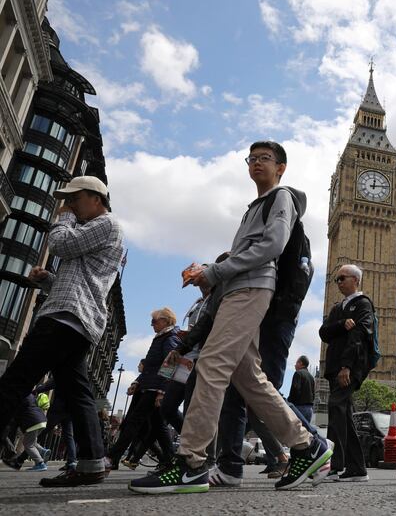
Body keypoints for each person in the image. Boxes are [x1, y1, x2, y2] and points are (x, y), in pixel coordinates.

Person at [129, 140, 331, 494]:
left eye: (264, 159)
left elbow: (272, 246)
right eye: (251, 159)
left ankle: (191, 462)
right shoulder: (253, 206)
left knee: (211, 366)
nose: (256, 163)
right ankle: (307, 444)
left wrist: (217, 271)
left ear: (281, 167)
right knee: (249, 378)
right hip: (240, 290)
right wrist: (213, 273)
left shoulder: (280, 198)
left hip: (252, 288)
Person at [0, 176, 124, 487]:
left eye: (75, 199)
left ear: (97, 199)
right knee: (76, 392)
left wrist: (64, 217)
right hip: (75, 317)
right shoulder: (93, 230)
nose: (69, 205)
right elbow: (78, 281)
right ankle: (91, 464)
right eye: (67, 201)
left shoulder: (106, 223)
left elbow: (60, 244)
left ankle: (91, 463)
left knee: (15, 380)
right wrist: (46, 280)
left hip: (66, 317)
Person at [319, 264, 374, 482]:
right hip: (334, 367)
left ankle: (334, 465)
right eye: (337, 279)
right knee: (345, 416)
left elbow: (359, 336)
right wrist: (342, 324)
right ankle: (358, 469)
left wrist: (347, 366)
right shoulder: (337, 308)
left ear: (356, 280)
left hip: (350, 367)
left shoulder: (362, 305)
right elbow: (324, 332)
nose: (339, 282)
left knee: (335, 406)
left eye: (342, 278)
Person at [106, 308, 179, 470]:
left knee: (134, 422)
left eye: (154, 321)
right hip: (150, 385)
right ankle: (169, 460)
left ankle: (111, 457)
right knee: (158, 426)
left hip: (155, 388)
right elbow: (150, 367)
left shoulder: (170, 337)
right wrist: (137, 382)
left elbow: (171, 363)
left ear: (166, 321)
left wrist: (162, 391)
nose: (151, 324)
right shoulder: (161, 337)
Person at [3, 393, 48, 471]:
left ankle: (40, 463)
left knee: (28, 444)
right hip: (41, 420)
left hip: (33, 422)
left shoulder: (19, 396)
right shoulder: (29, 395)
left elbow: (16, 412)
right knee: (31, 441)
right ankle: (42, 451)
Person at [288, 356, 315, 423]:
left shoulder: (298, 373)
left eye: (296, 363)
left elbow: (295, 390)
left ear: (300, 363)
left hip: (299, 408)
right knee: (305, 431)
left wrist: (289, 403)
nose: (295, 365)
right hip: (309, 410)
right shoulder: (311, 377)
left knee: (295, 431)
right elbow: (313, 394)